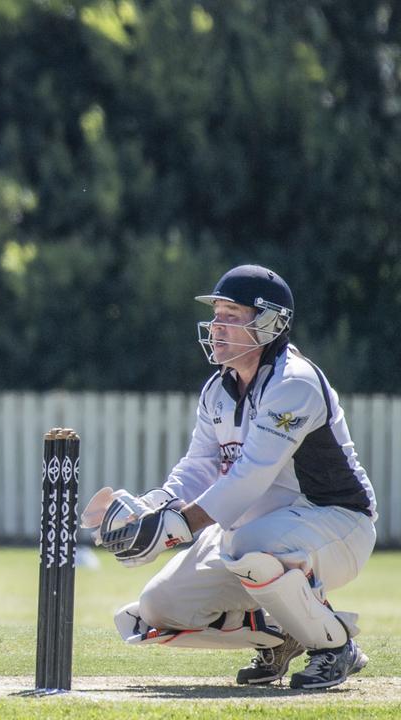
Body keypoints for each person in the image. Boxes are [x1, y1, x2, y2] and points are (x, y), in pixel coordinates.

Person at [91, 264, 375, 690]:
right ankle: (280, 632)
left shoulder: (294, 384)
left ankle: (334, 644)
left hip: (337, 524)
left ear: (269, 323)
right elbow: (199, 466)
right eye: (216, 315)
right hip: (251, 534)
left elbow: (249, 477)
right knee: (155, 607)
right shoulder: (217, 389)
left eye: (231, 316)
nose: (217, 327)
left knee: (250, 544)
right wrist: (157, 505)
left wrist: (177, 526)